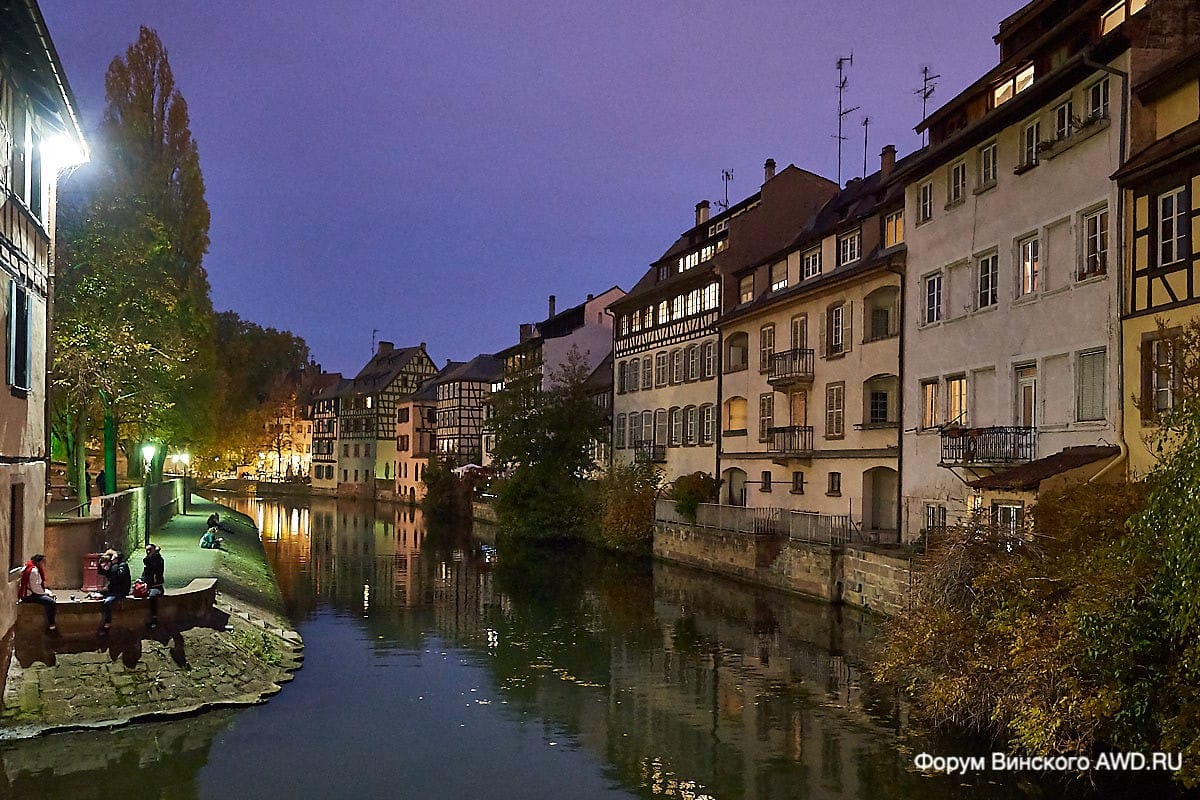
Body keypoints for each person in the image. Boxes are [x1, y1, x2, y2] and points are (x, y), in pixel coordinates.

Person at [18, 554, 56, 632]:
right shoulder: (34, 571)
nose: (44, 564)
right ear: (39, 562)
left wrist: (47, 591)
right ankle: (51, 625)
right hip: (29, 595)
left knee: (48, 594)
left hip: (29, 592)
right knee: (51, 602)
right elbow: (36, 589)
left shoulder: (30, 567)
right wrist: (47, 594)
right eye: (43, 562)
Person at [97, 549, 131, 634]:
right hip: (113, 588)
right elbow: (100, 571)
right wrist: (102, 561)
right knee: (97, 593)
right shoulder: (112, 566)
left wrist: (112, 567)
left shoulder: (122, 565)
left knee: (107, 602)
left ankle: (107, 624)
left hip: (120, 590)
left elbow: (118, 578)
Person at [141, 544, 165, 629]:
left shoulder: (159, 560)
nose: (148, 552)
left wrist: (155, 555)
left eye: (150, 550)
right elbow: (145, 573)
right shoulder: (147, 560)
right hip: (148, 585)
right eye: (146, 550)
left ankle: (154, 617)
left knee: (152, 596)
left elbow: (156, 568)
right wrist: (141, 580)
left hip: (156, 586)